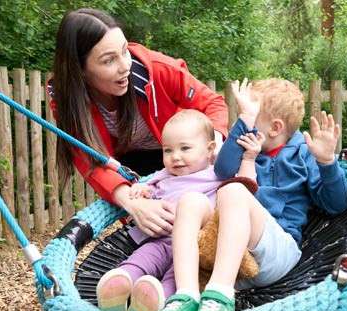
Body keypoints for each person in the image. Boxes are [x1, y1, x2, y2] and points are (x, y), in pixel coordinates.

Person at [153, 79, 347, 311]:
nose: (243, 125)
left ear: (275, 128)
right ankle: (186, 294)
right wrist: (245, 125)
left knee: (234, 190)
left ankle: (220, 294)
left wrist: (327, 162)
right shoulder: (246, 146)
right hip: (228, 253)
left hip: (275, 254)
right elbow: (223, 169)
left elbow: (336, 205)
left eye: (251, 118)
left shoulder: (303, 154)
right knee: (190, 201)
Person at [48, 8, 228, 239]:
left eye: (124, 51)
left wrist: (215, 144)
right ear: (80, 71)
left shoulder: (154, 69)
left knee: (198, 221)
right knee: (154, 231)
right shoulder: (66, 99)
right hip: (126, 165)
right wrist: (130, 201)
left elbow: (213, 103)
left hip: (178, 151)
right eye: (108, 60)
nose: (125, 65)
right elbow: (88, 158)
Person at [95, 110, 221, 311]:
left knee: (180, 274)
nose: (176, 157)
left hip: (195, 245)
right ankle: (120, 284)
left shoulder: (217, 175)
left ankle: (157, 298)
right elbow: (147, 188)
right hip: (161, 239)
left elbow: (241, 191)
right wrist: (141, 191)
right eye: (168, 150)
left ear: (210, 150)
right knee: (142, 258)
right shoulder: (163, 175)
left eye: (185, 148)